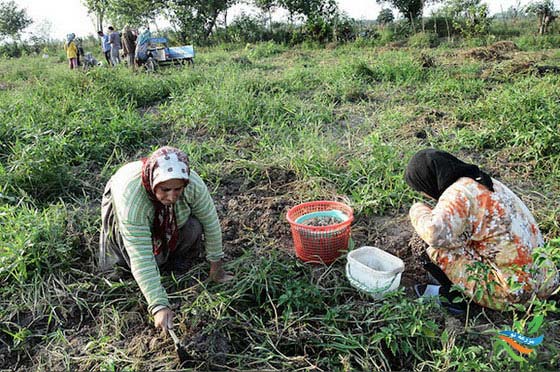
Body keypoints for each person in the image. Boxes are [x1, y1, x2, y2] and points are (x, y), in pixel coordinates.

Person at [99, 146, 233, 333]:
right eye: (165, 189)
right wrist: (158, 306)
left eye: (177, 189)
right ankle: (138, 274)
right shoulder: (133, 202)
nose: (171, 196)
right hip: (127, 202)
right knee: (124, 262)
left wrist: (216, 268)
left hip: (166, 215)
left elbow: (211, 223)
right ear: (153, 184)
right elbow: (140, 255)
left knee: (194, 227)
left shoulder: (193, 185)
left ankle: (171, 261)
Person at [405, 149, 558, 312]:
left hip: (515, 294)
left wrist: (417, 209)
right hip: (546, 280)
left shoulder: (457, 195)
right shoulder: (479, 180)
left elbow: (433, 233)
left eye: (421, 189)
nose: (424, 194)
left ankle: (458, 299)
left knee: (422, 243)